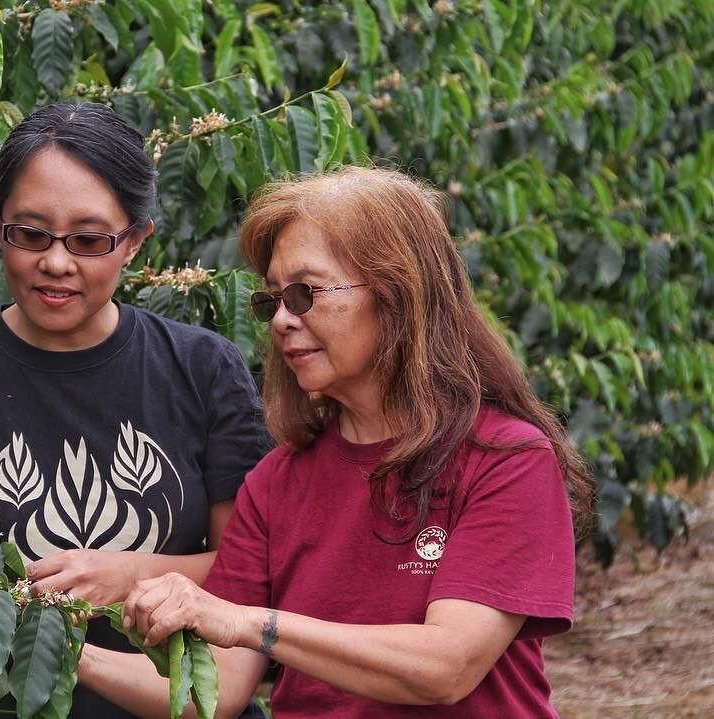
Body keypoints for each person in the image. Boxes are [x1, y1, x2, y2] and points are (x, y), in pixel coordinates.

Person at [77, 166, 596, 718]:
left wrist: (254, 623)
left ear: (398, 294)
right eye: (272, 300)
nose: (280, 320)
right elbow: (219, 690)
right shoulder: (276, 483)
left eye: (304, 294)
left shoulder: (505, 461)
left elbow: (447, 666)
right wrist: (68, 655)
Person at [0, 102, 272, 717]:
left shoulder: (203, 370)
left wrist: (131, 574)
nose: (56, 262)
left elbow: (251, 576)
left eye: (88, 240)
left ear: (135, 241)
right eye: (29, 234)